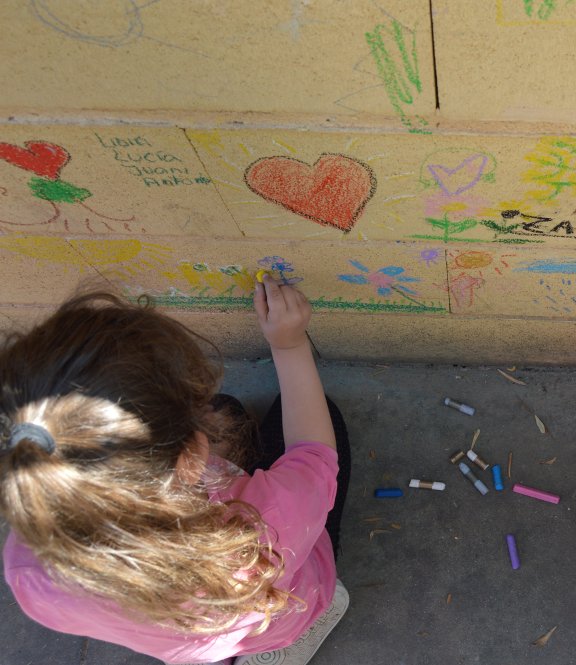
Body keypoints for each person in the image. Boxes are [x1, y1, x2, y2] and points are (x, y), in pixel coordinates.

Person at [0, 275, 351, 665]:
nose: (204, 409)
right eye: (195, 408)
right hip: (279, 607)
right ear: (192, 459)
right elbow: (314, 456)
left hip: (193, 632)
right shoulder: (256, 530)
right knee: (318, 418)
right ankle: (290, 635)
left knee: (228, 410)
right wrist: (290, 345)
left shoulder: (26, 567)